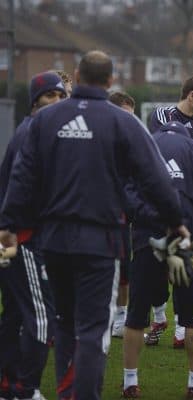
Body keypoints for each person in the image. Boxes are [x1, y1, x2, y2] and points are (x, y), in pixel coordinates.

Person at [0, 50, 189, 400]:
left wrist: (8, 223)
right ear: (111, 80)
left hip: (53, 241)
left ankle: (66, 392)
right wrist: (175, 221)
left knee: (65, 323)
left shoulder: (45, 120)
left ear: (76, 75)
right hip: (101, 242)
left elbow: (21, 176)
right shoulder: (123, 122)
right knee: (92, 330)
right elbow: (156, 179)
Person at [122, 120, 193, 399]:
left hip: (147, 237)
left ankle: (129, 382)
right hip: (185, 238)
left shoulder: (143, 145)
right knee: (192, 315)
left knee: (137, 314)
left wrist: (143, 220)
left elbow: (127, 194)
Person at [0, 71, 67, 400]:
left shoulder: (33, 130)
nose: (57, 101)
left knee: (14, 311)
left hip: (11, 235)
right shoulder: (34, 132)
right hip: (20, 237)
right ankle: (27, 390)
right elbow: (19, 188)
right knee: (41, 317)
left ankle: (9, 384)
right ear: (35, 101)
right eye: (50, 96)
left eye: (61, 96)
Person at [146, 76, 193, 348]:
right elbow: (155, 154)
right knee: (155, 273)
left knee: (186, 269)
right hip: (158, 207)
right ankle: (160, 316)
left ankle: (181, 329)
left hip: (191, 206)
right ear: (191, 95)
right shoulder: (161, 115)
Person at [108, 90, 137, 339]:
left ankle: (120, 316)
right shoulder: (96, 140)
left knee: (124, 269)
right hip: (92, 217)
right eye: (124, 115)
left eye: (132, 116)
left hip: (122, 217)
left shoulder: (134, 143)